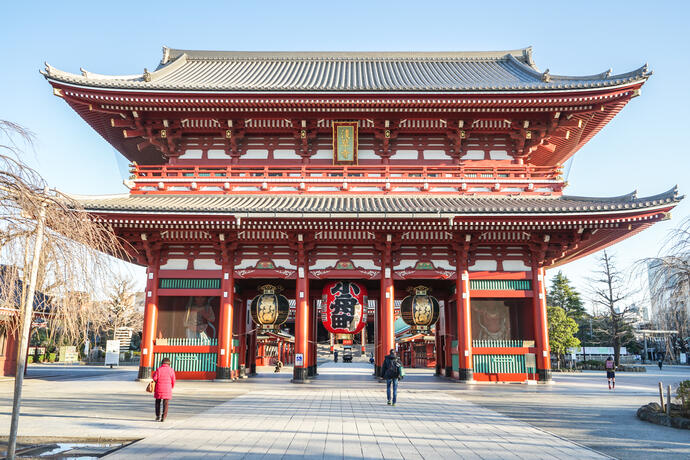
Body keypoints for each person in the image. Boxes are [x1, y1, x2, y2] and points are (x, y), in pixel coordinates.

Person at [152, 357, 176, 422]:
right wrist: (172, 386)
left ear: (162, 363)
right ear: (169, 363)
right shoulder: (171, 370)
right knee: (166, 403)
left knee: (157, 402)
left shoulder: (159, 369)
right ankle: (164, 417)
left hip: (159, 388)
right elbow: (173, 380)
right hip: (167, 388)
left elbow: (154, 378)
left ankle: (158, 416)